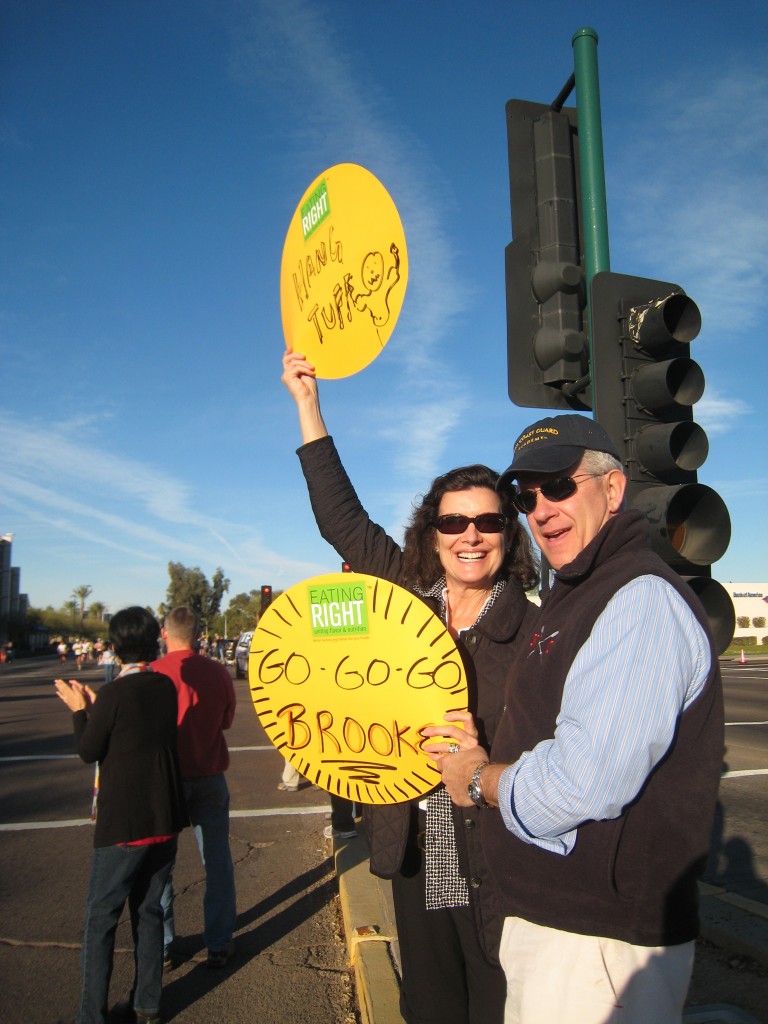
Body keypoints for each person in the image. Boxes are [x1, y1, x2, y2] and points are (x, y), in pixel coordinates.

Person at [434, 414, 724, 1024]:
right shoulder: (580, 591)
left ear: (612, 490)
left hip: (597, 942)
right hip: (563, 929)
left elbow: (582, 783)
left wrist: (480, 776)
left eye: (560, 486)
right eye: (526, 496)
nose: (541, 509)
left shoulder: (638, 599)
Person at [281, 348, 539, 1024]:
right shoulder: (407, 600)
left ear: (508, 536)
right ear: (434, 532)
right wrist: (309, 406)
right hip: (423, 839)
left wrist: (492, 753)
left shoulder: (534, 630)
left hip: (498, 852)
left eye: (488, 521)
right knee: (429, 999)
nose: (470, 536)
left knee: (498, 997)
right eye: (454, 521)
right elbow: (343, 520)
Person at [54, 606, 187, 1024]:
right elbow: (134, 728)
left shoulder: (114, 693)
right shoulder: (164, 686)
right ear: (154, 641)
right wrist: (98, 707)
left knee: (101, 919)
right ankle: (148, 1003)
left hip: (124, 824)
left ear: (114, 647)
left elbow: (89, 750)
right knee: (148, 913)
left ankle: (90, 1015)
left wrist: (80, 710)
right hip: (163, 817)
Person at [152, 605, 238, 969]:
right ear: (199, 634)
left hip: (165, 781)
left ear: (164, 633)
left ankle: (163, 945)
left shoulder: (152, 674)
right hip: (209, 775)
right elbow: (227, 722)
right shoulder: (218, 672)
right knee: (216, 861)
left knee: (159, 867)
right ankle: (218, 942)